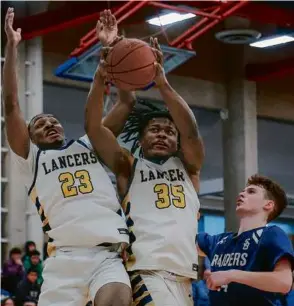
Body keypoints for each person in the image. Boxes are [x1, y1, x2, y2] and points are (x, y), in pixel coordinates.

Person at [3, 7, 133, 306]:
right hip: (65, 259)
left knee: (117, 300)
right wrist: (11, 46)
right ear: (30, 135)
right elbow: (11, 105)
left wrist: (111, 49)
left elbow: (126, 103)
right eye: (39, 123)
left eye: (53, 120)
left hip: (108, 255)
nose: (49, 124)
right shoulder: (30, 159)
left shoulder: (92, 144)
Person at [85, 13, 205, 305]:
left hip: (185, 279)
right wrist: (113, 50)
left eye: (168, 131)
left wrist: (162, 83)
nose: (163, 134)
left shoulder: (190, 167)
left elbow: (190, 129)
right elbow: (94, 129)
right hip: (145, 271)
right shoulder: (128, 165)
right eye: (154, 129)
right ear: (140, 139)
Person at [197, 175, 294, 306]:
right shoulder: (219, 240)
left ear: (268, 205)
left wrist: (231, 275)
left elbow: (284, 282)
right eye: (243, 191)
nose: (242, 194)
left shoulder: (272, 234)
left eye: (251, 191)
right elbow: (182, 243)